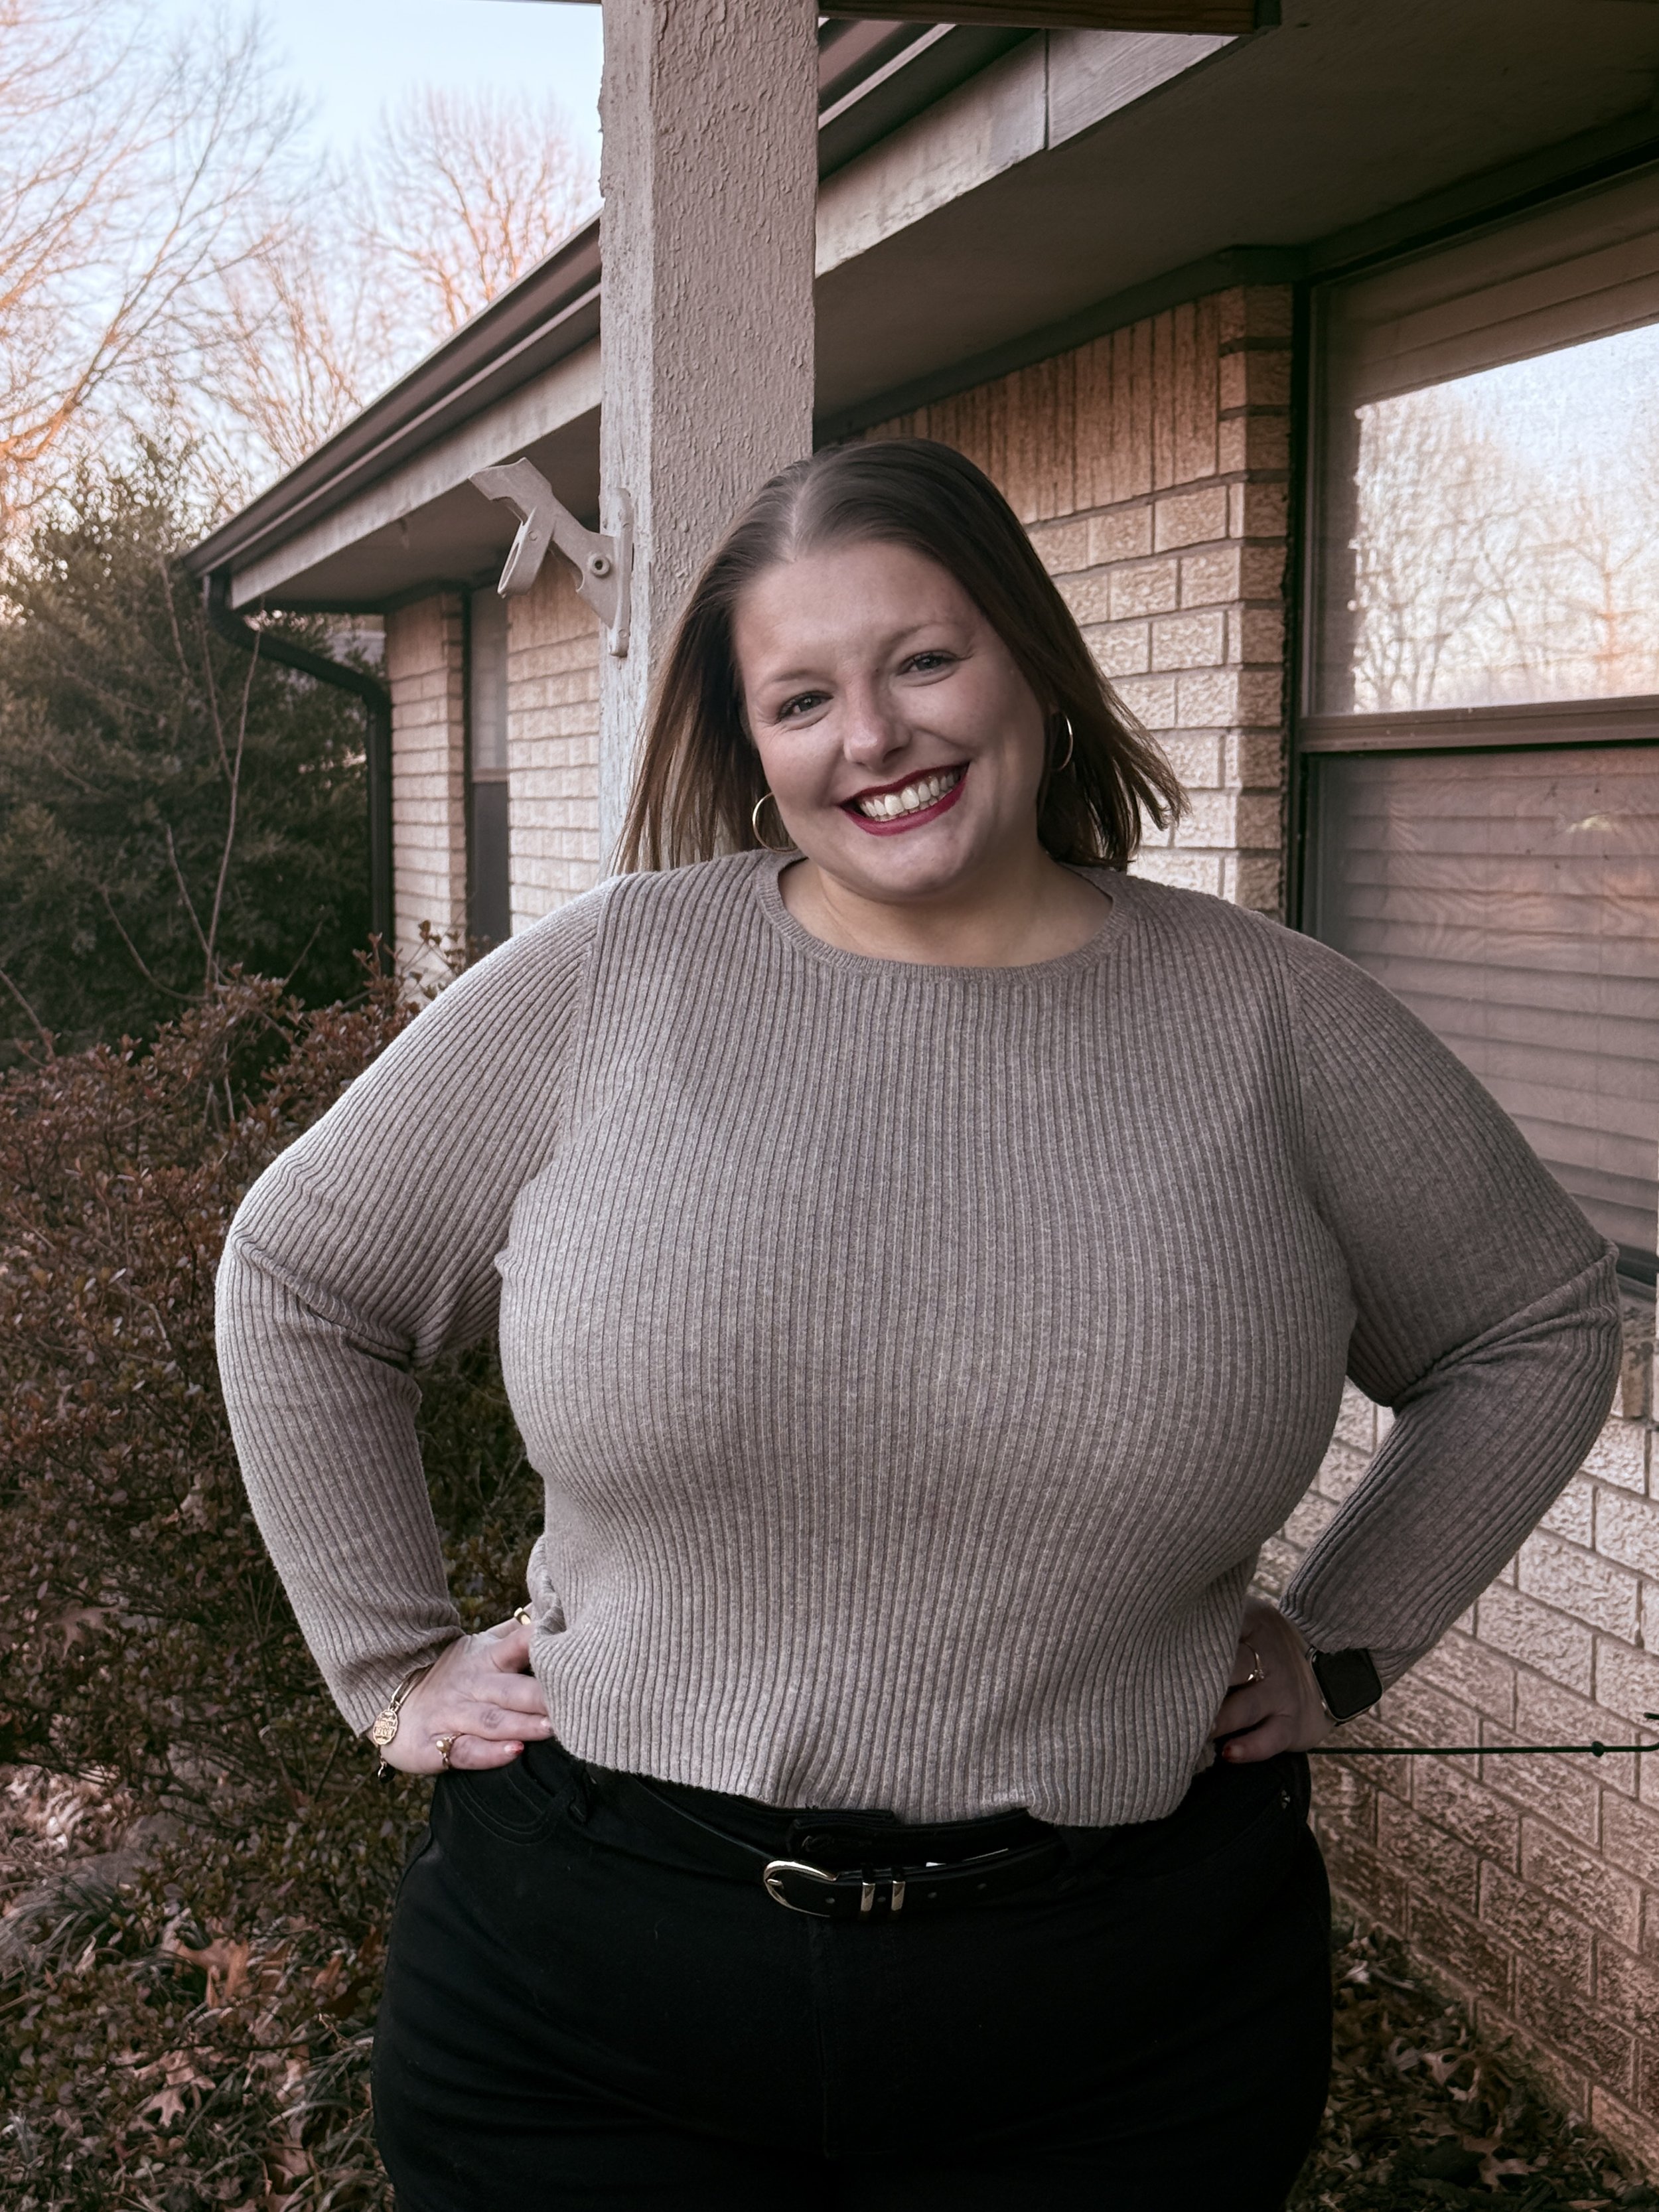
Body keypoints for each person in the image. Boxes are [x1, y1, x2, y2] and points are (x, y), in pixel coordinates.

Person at [214, 438, 1621, 2212]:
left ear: (1026, 658)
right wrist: (382, 1661)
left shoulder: (1274, 1024)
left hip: (1116, 2027)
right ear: (749, 746)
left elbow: (1537, 1323)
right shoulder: (612, 981)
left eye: (922, 660)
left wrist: (1342, 1640)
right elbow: (299, 1279)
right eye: (800, 697)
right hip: (589, 2007)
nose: (870, 737)